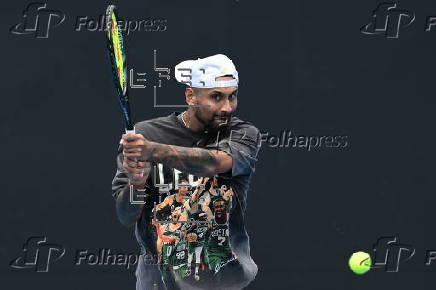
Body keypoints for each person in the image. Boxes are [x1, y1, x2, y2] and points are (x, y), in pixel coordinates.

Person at [112, 54, 262, 290]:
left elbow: (215, 163)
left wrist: (152, 150)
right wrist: (137, 184)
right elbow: (126, 215)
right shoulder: (146, 133)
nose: (227, 107)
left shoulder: (243, 134)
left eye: (232, 96)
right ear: (190, 95)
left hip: (226, 282)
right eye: (216, 97)